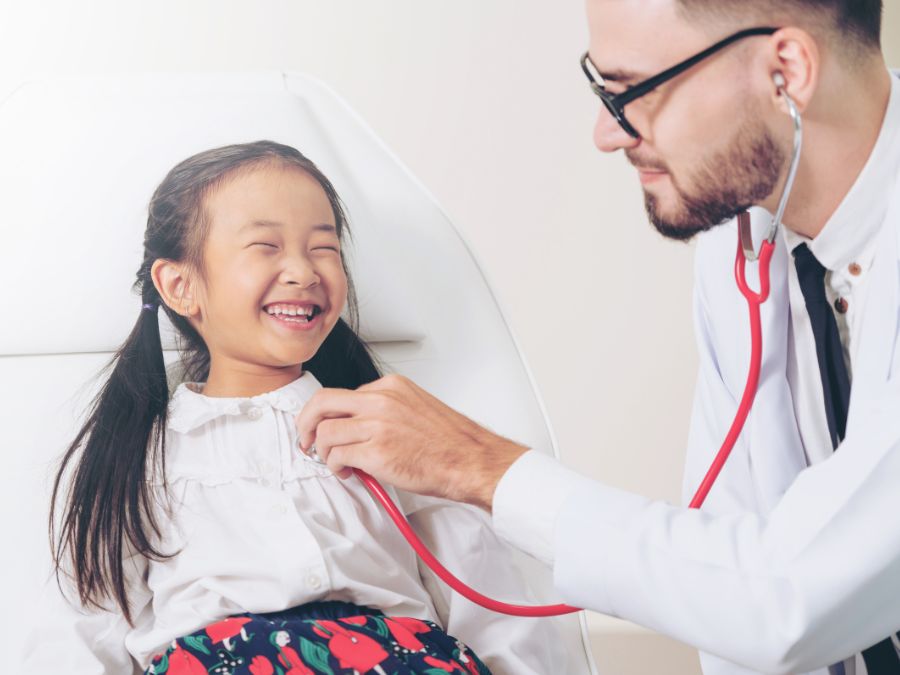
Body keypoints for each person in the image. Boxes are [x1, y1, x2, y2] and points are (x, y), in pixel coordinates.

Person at [293, 1, 900, 674]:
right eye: (599, 88)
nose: (606, 135)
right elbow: (724, 586)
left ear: (786, 71)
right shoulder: (744, 236)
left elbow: (785, 598)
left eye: (630, 92)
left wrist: (480, 464)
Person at [22, 141, 562, 674]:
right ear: (180, 285)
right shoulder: (136, 461)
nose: (304, 271)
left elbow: (497, 613)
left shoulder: (394, 432)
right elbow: (78, 635)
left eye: (324, 248)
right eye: (266, 247)